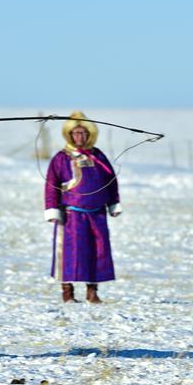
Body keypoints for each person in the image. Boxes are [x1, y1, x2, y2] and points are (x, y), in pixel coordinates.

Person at [44, 111, 121, 303]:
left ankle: (92, 291)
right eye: (76, 133)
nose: (80, 137)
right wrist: (52, 209)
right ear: (70, 135)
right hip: (72, 215)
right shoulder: (61, 158)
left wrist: (113, 203)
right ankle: (67, 292)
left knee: (98, 252)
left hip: (97, 214)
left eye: (84, 133)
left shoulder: (98, 156)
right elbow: (51, 184)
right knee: (71, 253)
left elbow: (111, 181)